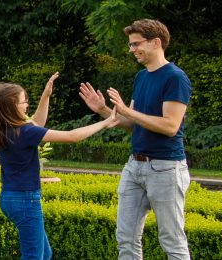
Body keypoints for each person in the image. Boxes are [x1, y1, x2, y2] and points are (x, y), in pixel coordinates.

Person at [78, 19, 193, 260]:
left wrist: (127, 111)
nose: (132, 50)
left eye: (135, 44)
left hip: (165, 168)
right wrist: (103, 110)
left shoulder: (175, 77)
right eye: (130, 45)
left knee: (172, 241)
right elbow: (131, 123)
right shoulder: (141, 77)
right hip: (134, 166)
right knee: (126, 238)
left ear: (156, 43)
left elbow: (170, 126)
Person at [0, 74, 121, 260]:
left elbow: (37, 123)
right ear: (11, 107)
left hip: (9, 198)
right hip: (26, 200)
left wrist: (46, 96)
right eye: (24, 101)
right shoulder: (24, 131)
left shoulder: (2, 128)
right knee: (34, 256)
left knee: (44, 253)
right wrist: (104, 123)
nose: (27, 105)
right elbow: (72, 136)